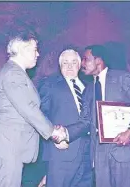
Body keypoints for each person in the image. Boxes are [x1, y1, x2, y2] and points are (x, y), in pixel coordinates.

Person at [0, 30, 66, 187]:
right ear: (22, 50)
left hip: (10, 147)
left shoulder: (15, 72)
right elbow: (28, 108)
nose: (38, 54)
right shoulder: (13, 74)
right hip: (7, 147)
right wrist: (52, 131)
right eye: (34, 49)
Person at [57, 45, 130, 187]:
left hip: (125, 150)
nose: (82, 64)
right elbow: (86, 121)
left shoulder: (122, 78)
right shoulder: (88, 89)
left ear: (98, 60)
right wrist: (65, 132)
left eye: (86, 59)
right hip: (99, 156)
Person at [38, 49, 92, 187]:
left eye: (73, 62)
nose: (69, 66)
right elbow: (41, 115)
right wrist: (54, 137)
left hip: (88, 154)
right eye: (65, 63)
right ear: (59, 65)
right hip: (62, 151)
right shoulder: (49, 84)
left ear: (79, 65)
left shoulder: (90, 86)